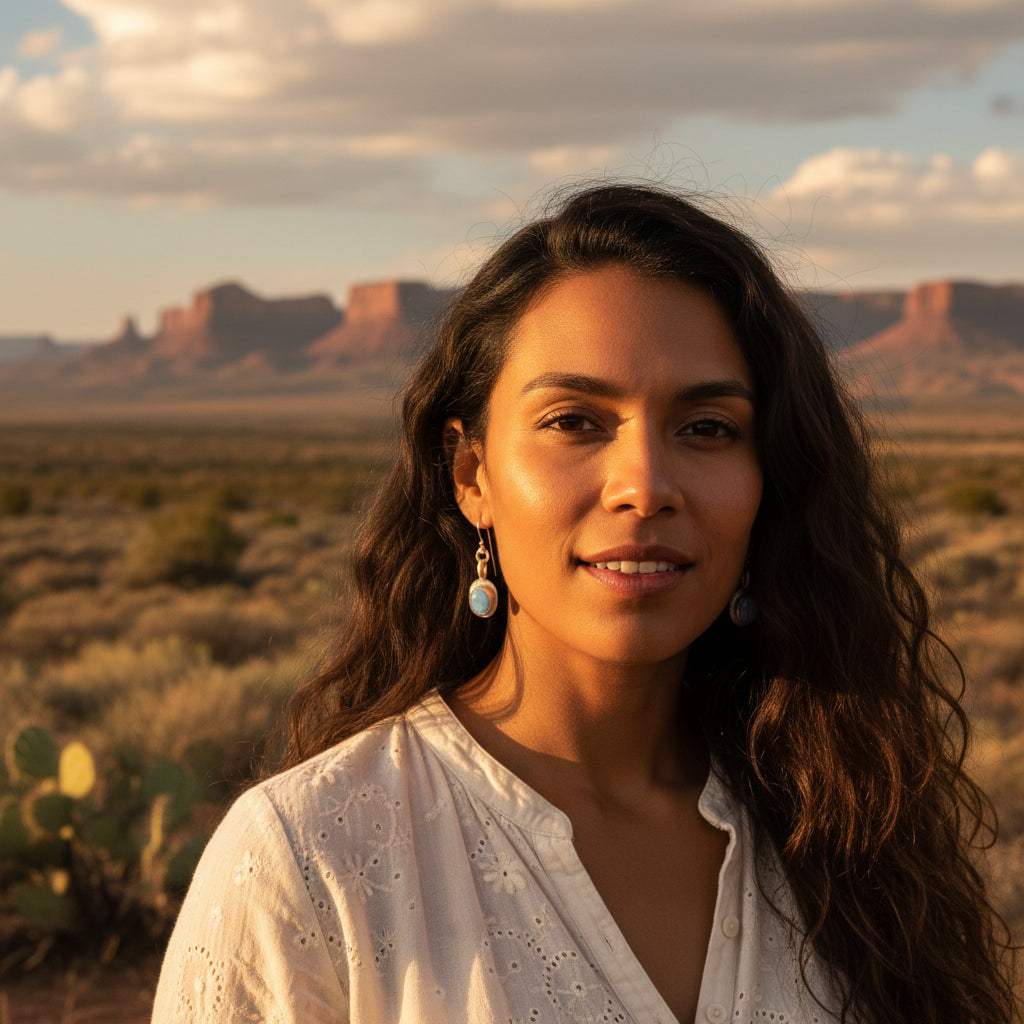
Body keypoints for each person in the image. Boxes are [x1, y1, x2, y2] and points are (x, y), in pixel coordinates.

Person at [151, 183, 1020, 1024]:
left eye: (708, 428)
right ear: (471, 474)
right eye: (575, 421)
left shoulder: (847, 831)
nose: (645, 486)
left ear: (770, 484)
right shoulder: (309, 858)